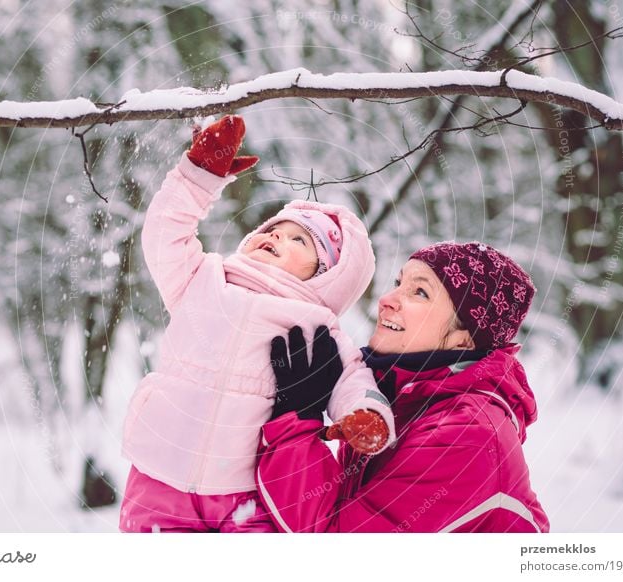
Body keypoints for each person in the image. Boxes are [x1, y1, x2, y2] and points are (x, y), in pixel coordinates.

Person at [119, 115, 395, 533]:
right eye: (276, 230)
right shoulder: (203, 279)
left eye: (299, 240)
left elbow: (351, 379)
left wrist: (366, 414)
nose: (278, 238)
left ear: (326, 274)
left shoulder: (317, 326)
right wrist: (198, 177)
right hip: (162, 469)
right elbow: (163, 236)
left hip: (247, 490)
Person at [256, 242, 550, 532]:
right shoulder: (399, 401)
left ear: (465, 339)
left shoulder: (467, 434)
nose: (386, 299)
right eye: (398, 283)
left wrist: (296, 421)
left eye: (419, 292)